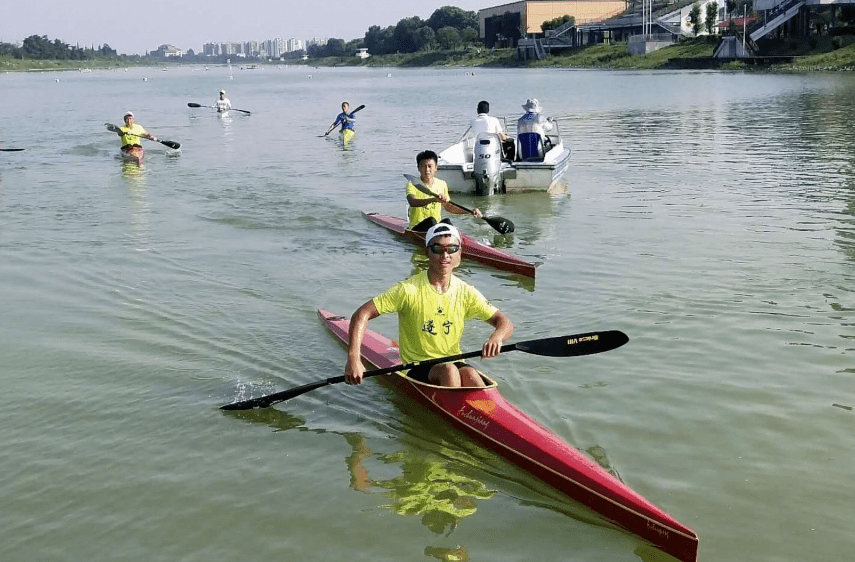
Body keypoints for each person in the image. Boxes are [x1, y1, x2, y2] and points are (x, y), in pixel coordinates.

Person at [345, 222, 514, 389]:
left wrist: (496, 337)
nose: (445, 255)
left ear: (460, 254)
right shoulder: (408, 290)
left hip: (453, 363)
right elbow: (361, 314)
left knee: (470, 374)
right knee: (449, 371)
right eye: (437, 248)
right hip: (415, 367)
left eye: (452, 249)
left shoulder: (467, 292)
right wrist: (354, 359)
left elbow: (504, 322)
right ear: (427, 252)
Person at [406, 150, 482, 231]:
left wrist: (469, 212)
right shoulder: (412, 184)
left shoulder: (441, 184)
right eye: (423, 166)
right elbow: (412, 202)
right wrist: (434, 199)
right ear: (418, 168)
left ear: (436, 168)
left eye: (430, 166)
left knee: (447, 222)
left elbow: (449, 207)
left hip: (435, 228)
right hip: (417, 227)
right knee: (431, 220)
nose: (427, 170)